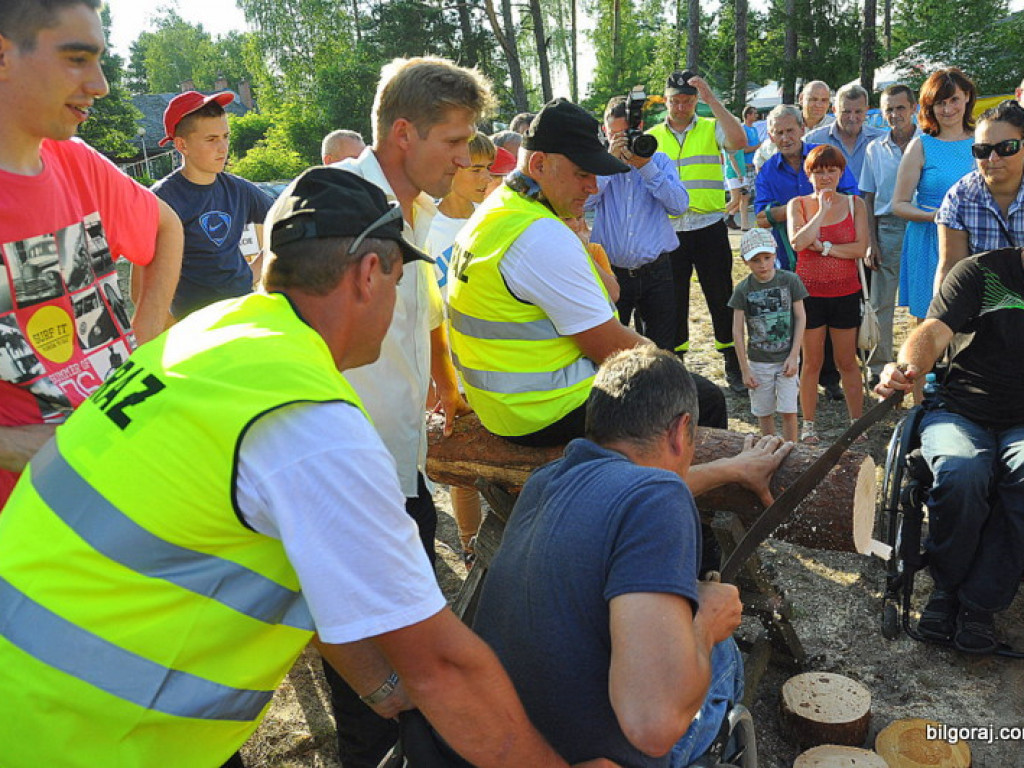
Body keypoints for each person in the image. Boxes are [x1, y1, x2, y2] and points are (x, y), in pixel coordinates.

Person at [0, 167, 623, 768]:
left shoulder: (210, 335)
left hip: (37, 685)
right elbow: (442, 665)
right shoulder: (307, 418)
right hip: (82, 733)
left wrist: (382, 690)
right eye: (403, 278)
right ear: (370, 272)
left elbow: (307, 561)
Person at [448, 97, 789, 492]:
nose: (592, 188)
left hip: (502, 405)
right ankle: (693, 516)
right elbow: (619, 352)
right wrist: (674, 372)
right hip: (542, 411)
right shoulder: (539, 235)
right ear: (539, 165)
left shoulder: (496, 211)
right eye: (582, 174)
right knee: (702, 396)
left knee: (685, 387)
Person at [327, 56, 493, 767]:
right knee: (373, 695)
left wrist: (448, 385)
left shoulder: (414, 213)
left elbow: (422, 317)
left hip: (403, 471)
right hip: (351, 485)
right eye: (454, 143)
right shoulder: (332, 209)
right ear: (404, 133)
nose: (465, 160)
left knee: (411, 671)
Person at [473, 347, 747, 768]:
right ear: (681, 430)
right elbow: (652, 725)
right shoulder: (659, 495)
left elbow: (633, 489)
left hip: (506, 741)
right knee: (727, 654)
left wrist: (732, 468)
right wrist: (706, 625)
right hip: (601, 756)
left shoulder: (545, 482)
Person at [0, 0, 182, 507]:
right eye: (77, 58)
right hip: (19, 535)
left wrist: (142, 347)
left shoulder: (76, 161)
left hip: (116, 496)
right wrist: (19, 447)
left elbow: (166, 228)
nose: (100, 84)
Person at [876, 242, 1024, 655]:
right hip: (960, 410)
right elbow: (932, 332)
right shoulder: (980, 272)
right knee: (962, 471)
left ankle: (980, 603)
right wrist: (907, 368)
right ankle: (946, 587)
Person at [645, 70, 748, 393]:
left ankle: (732, 362)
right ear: (666, 101)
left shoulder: (709, 127)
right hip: (669, 230)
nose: (681, 107)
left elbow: (739, 140)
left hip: (708, 227)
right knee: (671, 301)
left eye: (687, 101)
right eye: (675, 101)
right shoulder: (651, 136)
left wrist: (711, 100)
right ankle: (676, 365)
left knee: (721, 297)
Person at [152, 91, 273, 319]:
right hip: (192, 323)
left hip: (243, 312)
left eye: (225, 136)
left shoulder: (240, 189)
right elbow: (145, 281)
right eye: (211, 139)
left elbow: (286, 222)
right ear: (182, 145)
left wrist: (251, 273)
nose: (223, 147)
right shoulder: (161, 199)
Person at [586, 94, 690, 352]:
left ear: (639, 129)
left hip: (657, 271)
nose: (621, 141)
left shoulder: (660, 162)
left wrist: (646, 167)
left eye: (627, 134)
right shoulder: (596, 167)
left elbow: (679, 206)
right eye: (614, 135)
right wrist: (608, 165)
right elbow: (583, 204)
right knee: (610, 350)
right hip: (611, 272)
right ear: (604, 132)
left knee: (660, 349)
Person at [787, 145, 868, 443]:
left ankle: (856, 422)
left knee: (847, 361)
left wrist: (827, 249)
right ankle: (809, 425)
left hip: (846, 292)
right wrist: (821, 211)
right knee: (811, 361)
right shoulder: (798, 204)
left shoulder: (855, 205)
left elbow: (860, 249)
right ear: (809, 175)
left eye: (831, 170)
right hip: (809, 295)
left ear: (841, 172)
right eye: (818, 172)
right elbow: (799, 242)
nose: (825, 177)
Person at [892, 68, 976, 321]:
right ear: (930, 106)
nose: (948, 109)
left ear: (968, 98)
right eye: (940, 102)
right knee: (932, 319)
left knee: (974, 316)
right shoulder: (921, 145)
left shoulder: (981, 141)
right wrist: (935, 216)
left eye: (954, 100)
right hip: (929, 239)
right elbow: (899, 204)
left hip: (974, 237)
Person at [860, 84, 920, 377]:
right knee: (881, 302)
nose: (895, 114)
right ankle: (879, 366)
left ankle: (925, 364)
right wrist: (871, 241)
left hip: (923, 226)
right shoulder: (874, 149)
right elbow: (868, 198)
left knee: (928, 297)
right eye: (889, 109)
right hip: (888, 228)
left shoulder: (929, 142)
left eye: (900, 108)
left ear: (913, 108)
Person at [935, 99, 1024, 286]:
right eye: (983, 150)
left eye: (1006, 148)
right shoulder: (959, 197)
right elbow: (951, 268)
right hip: (983, 306)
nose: (993, 158)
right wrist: (940, 314)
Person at [730, 228, 807, 442]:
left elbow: (801, 317)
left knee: (789, 411)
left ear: (774, 254)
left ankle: (791, 450)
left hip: (786, 358)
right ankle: (769, 451)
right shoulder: (742, 289)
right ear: (745, 261)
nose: (762, 264)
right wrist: (744, 368)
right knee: (764, 412)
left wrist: (794, 355)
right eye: (755, 260)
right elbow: (737, 330)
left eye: (767, 257)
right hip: (758, 362)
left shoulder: (790, 281)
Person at [805, 83, 886, 186]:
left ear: (866, 110)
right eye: (846, 112)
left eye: (858, 112)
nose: (852, 117)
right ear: (834, 110)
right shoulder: (813, 141)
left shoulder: (881, 141)